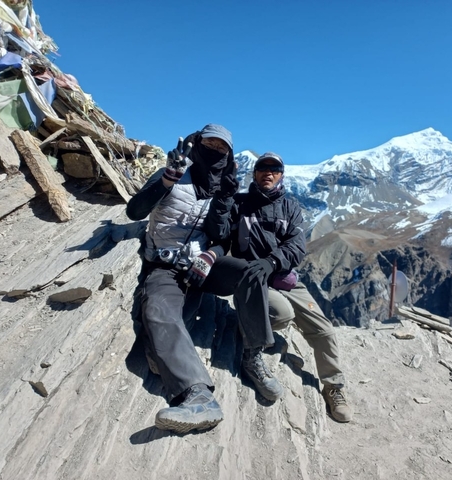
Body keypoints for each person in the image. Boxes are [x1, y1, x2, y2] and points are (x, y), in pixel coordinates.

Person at [205, 152, 353, 422]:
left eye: (274, 169)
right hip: (252, 281)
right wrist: (224, 197)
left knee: (324, 330)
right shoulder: (239, 204)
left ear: (281, 175)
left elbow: (297, 247)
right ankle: (250, 342)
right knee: (282, 314)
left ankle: (333, 387)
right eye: (263, 168)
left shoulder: (291, 207)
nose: (268, 173)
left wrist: (272, 262)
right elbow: (217, 233)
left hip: (283, 277)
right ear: (254, 173)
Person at [127, 123, 252, 434]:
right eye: (209, 144)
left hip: (203, 266)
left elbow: (222, 239)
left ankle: (255, 350)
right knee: (158, 312)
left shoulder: (225, 188)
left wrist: (210, 256)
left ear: (229, 155)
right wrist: (167, 178)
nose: (215, 152)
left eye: (222, 149)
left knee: (251, 274)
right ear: (196, 143)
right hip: (167, 268)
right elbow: (135, 211)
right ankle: (198, 396)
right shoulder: (172, 172)